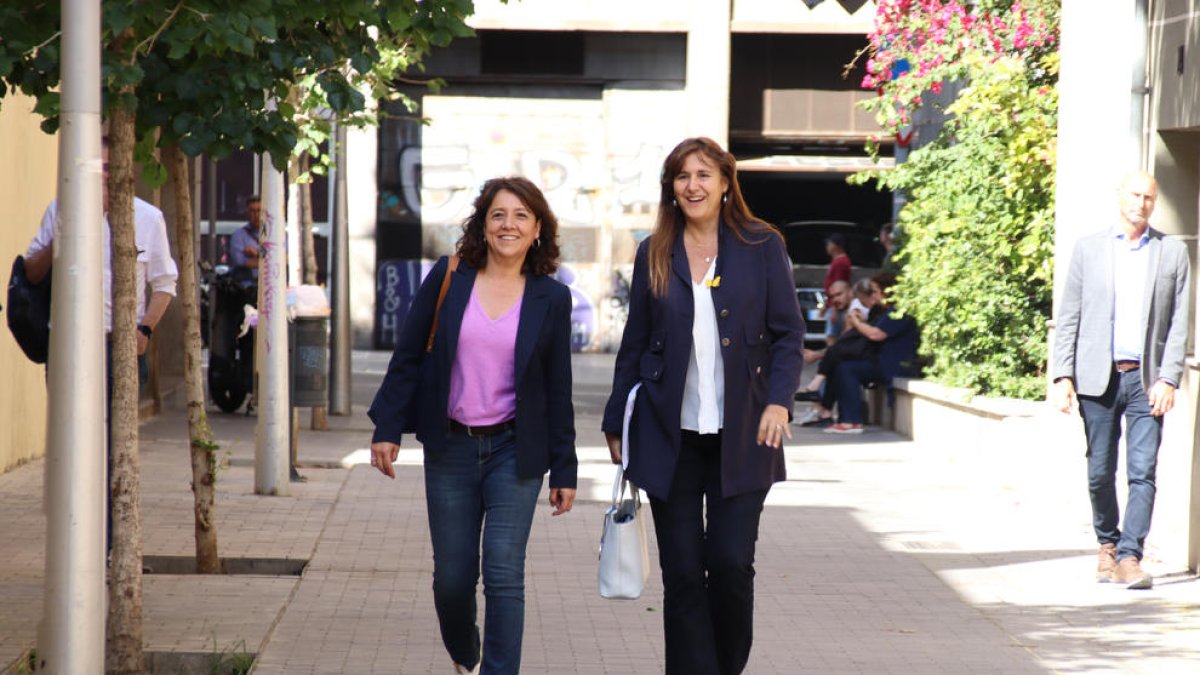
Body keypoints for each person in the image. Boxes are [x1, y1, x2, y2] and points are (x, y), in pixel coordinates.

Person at [602, 137, 805, 675]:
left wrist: (779, 402)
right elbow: (635, 342)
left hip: (746, 433)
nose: (692, 186)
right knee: (684, 576)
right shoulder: (654, 251)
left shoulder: (762, 245)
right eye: (682, 176)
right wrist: (616, 419)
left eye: (703, 175)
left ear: (725, 183)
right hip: (669, 435)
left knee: (731, 564)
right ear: (671, 187)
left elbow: (789, 333)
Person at [368, 176, 578, 674]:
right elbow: (408, 356)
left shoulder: (551, 297)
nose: (509, 225)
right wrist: (387, 428)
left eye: (521, 216)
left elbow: (558, 388)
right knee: (453, 581)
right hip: (451, 449)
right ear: (483, 225)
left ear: (538, 229)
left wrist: (565, 468)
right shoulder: (450, 278)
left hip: (515, 451)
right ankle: (466, 651)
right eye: (498, 214)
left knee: (504, 572)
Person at [24, 136, 179, 549]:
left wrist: (144, 330)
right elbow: (32, 272)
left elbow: (165, 284)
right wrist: (66, 233)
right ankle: (73, 542)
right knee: (72, 444)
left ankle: (110, 545)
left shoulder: (148, 217)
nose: (104, 176)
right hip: (68, 345)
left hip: (119, 346)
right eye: (97, 168)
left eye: (110, 168)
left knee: (114, 447)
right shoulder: (60, 211)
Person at [1051, 171, 1189, 590]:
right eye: (1135, 194)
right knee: (1099, 470)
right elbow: (1070, 314)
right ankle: (1107, 544)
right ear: (1120, 196)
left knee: (1143, 470)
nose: (1141, 203)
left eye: (1149, 197)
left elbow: (1180, 322)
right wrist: (1062, 375)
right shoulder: (1089, 249)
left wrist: (1169, 378)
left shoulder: (1172, 252)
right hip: (1098, 378)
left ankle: (1130, 556)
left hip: (1147, 381)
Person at [823, 274, 919, 435]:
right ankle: (842, 417)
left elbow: (876, 334)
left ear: (887, 291)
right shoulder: (887, 311)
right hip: (883, 362)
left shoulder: (899, 312)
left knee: (847, 369)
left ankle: (851, 421)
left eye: (875, 291)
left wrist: (856, 322)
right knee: (842, 365)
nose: (873, 295)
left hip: (894, 366)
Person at [796, 278, 879, 404]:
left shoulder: (855, 309)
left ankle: (819, 401)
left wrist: (816, 355)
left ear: (850, 292)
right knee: (832, 361)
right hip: (858, 351)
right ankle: (819, 403)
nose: (835, 299)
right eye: (832, 297)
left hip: (869, 355)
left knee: (834, 363)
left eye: (839, 294)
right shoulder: (839, 311)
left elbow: (844, 344)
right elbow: (839, 344)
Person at [821, 233, 852, 343]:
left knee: (832, 338)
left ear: (836, 245)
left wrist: (835, 308)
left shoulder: (841, 263)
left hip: (836, 307)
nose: (827, 247)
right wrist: (826, 305)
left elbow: (840, 287)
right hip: (833, 304)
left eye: (829, 244)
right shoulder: (837, 261)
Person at [229, 195, 264, 280]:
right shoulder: (239, 235)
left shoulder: (276, 235)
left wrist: (257, 253)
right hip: (247, 284)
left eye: (259, 210)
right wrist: (269, 261)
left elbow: (286, 259)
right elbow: (240, 262)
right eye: (252, 211)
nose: (256, 215)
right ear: (247, 213)